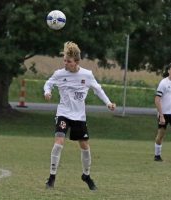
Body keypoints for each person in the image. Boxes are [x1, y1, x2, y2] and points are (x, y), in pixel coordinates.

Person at [44, 41, 116, 190]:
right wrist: (47, 92)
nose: (65, 63)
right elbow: (48, 83)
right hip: (63, 113)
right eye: (64, 60)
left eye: (68, 61)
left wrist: (108, 103)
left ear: (76, 61)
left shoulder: (87, 75)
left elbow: (98, 89)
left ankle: (86, 175)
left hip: (79, 116)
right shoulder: (59, 74)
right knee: (58, 143)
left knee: (85, 147)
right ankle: (51, 177)